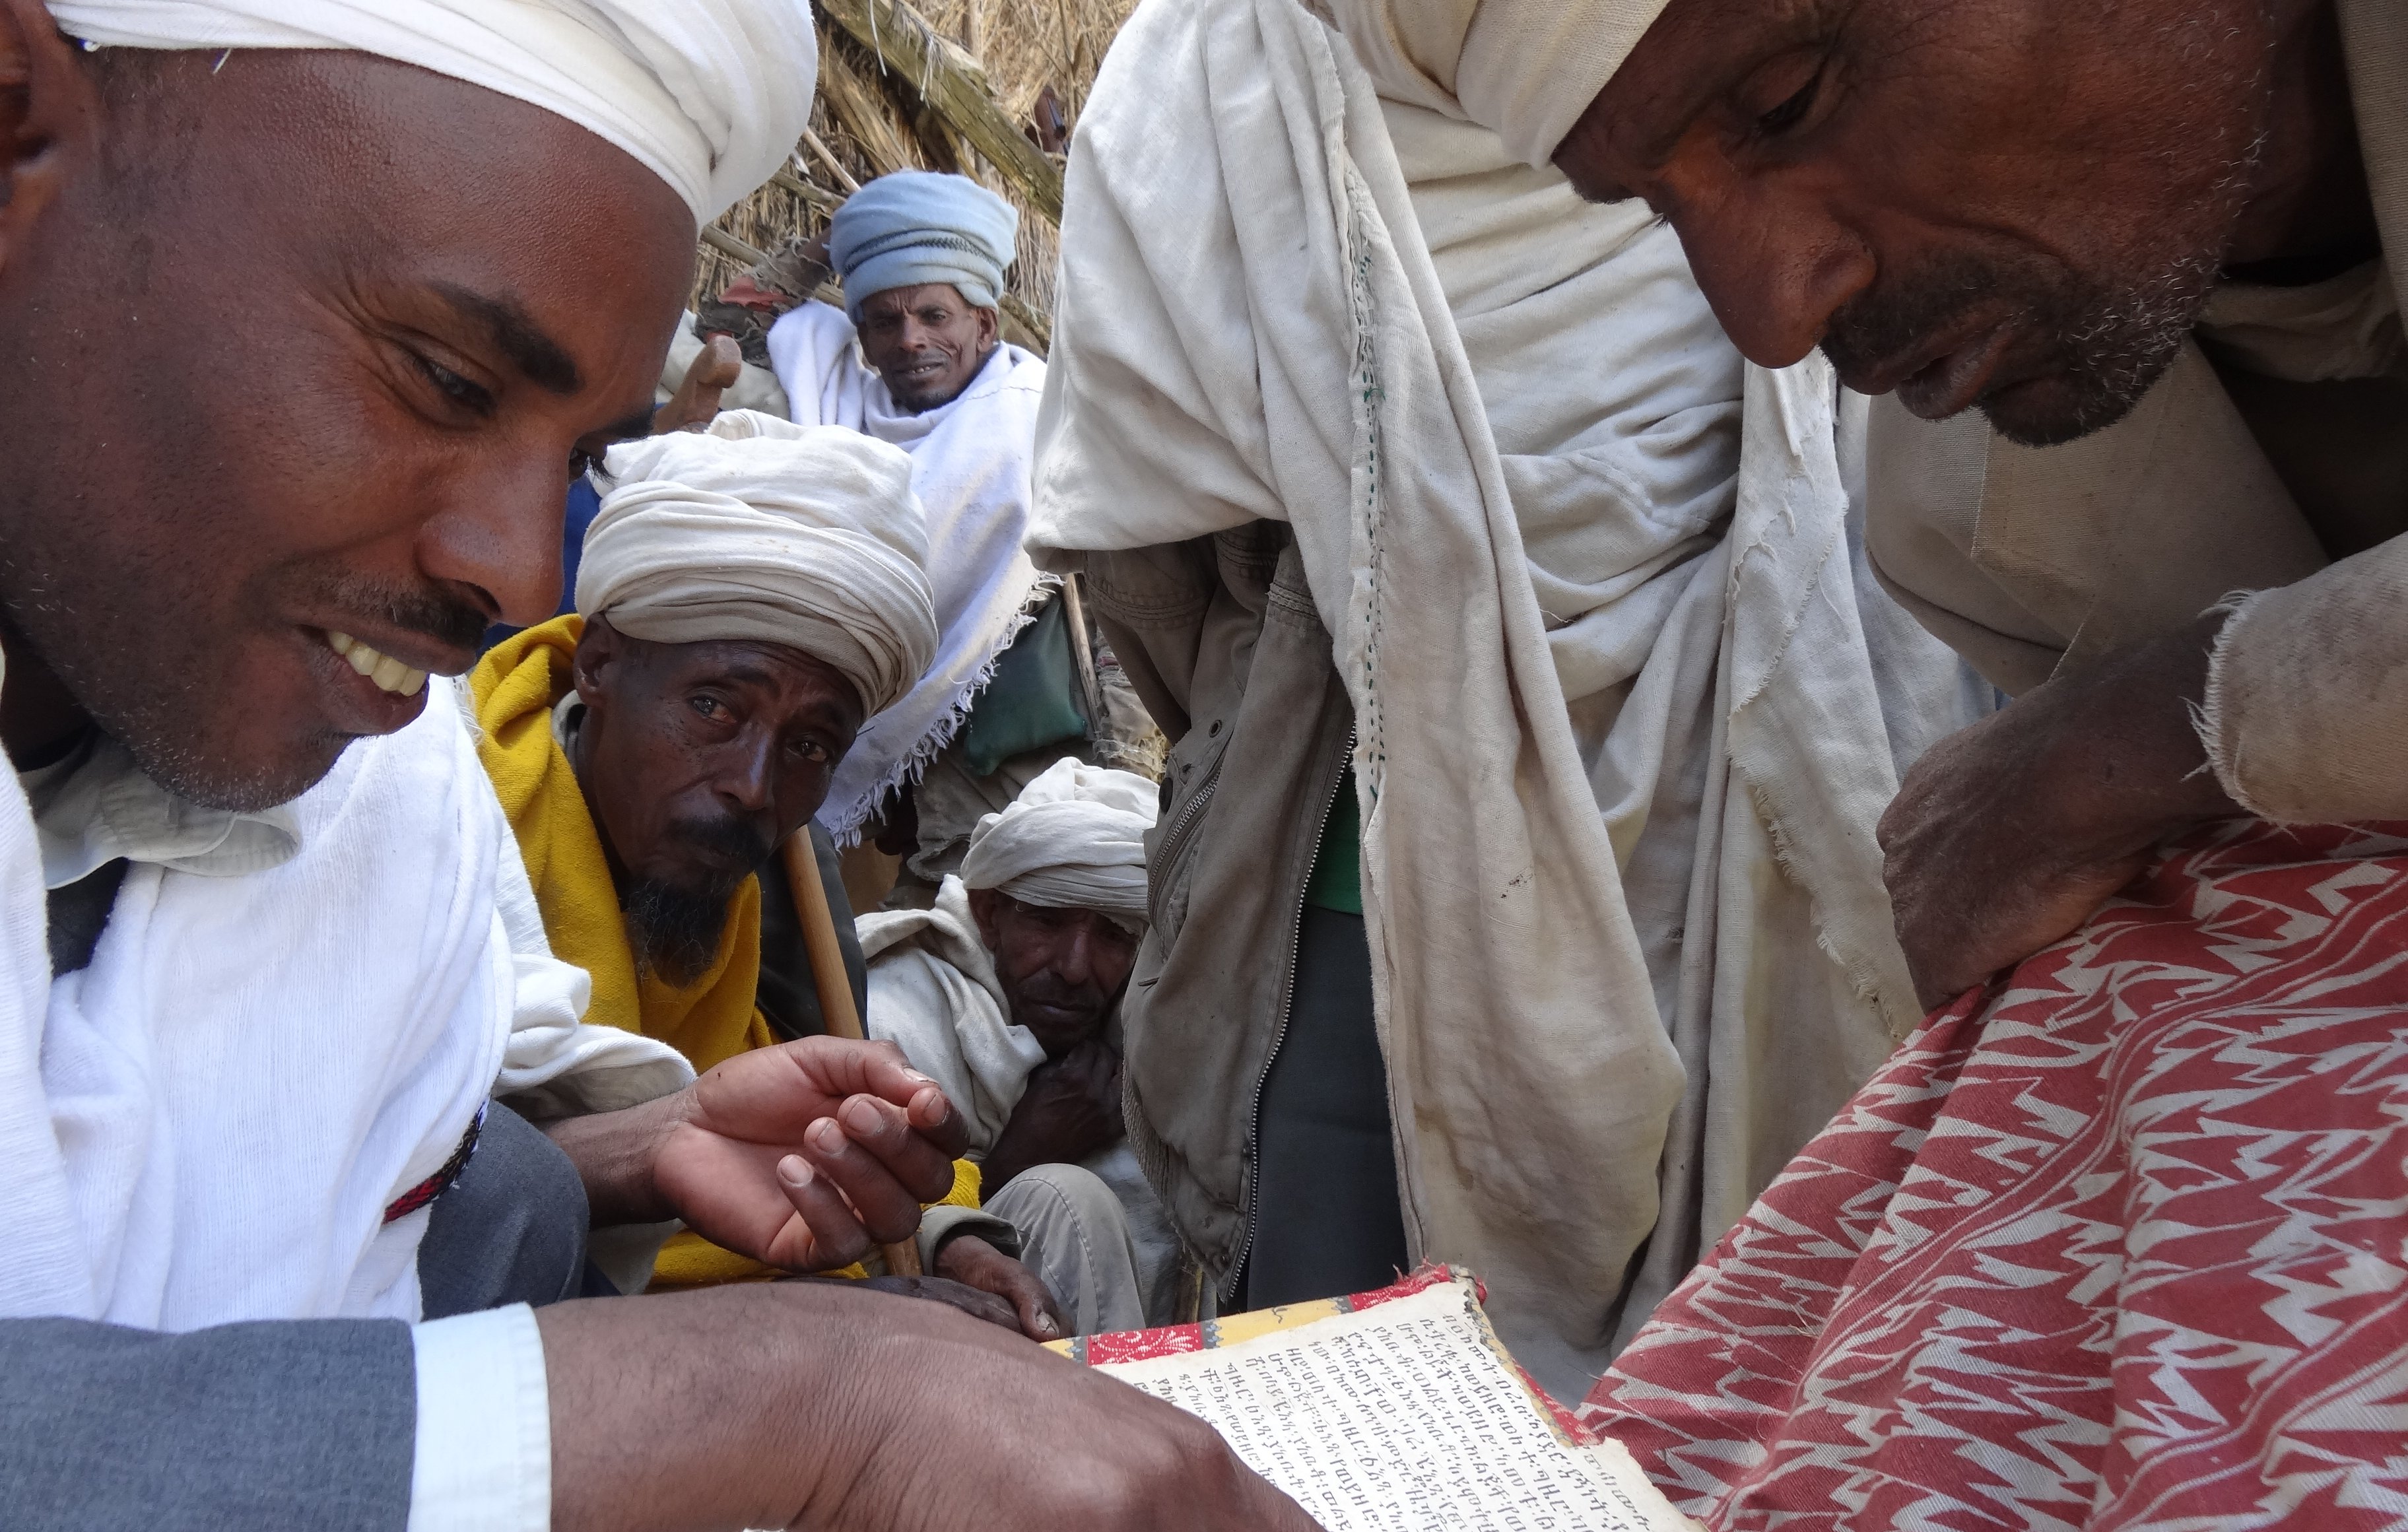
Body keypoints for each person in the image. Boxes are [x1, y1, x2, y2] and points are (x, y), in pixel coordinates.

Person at [0, 2, 1318, 1527]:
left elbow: (434, 1198)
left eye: (572, 457)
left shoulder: (393, 807)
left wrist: (636, 1147)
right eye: (441, 377)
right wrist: (793, 1398)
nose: (508, 574)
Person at [1508, 0, 2408, 1523]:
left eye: (1788, 99)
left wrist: (2142, 732)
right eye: (1662, 208)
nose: (1775, 314)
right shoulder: (1961, 495)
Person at [1030, 0, 1989, 1399]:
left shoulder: (1203, 76)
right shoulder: (1211, 71)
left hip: (1381, 864)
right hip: (1497, 875)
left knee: (1357, 1377)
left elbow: (1165, 584)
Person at [471, 410, 1065, 1339]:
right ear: (598, 664)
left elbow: (813, 1120)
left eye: (810, 744)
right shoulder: (452, 819)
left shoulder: (781, 874)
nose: (754, 786)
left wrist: (944, 1231)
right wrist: (799, 1324)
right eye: (714, 706)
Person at [766, 170, 1158, 897]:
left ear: (983, 323)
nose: (911, 339)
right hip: (919, 772)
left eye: (933, 315)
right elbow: (711, 342)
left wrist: (1132, 759)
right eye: (885, 320)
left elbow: (1130, 594)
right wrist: (828, 248)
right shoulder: (836, 419)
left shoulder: (1038, 419)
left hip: (1042, 754)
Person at [859, 756, 1182, 1333]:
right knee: (1064, 1197)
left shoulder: (1136, 1026)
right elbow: (872, 1247)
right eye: (1048, 922)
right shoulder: (897, 1013)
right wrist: (1027, 1148)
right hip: (904, 1349)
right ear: (989, 914)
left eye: (1113, 936)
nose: (1075, 968)